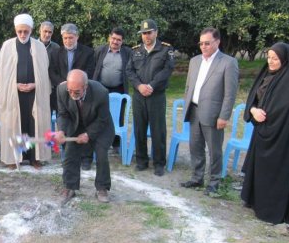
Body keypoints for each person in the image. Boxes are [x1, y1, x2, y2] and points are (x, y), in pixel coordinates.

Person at [241, 43, 289, 225]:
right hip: (262, 134)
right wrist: (254, 111)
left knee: (273, 175)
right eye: (269, 57)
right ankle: (255, 201)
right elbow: (253, 99)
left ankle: (269, 210)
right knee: (259, 171)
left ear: (285, 60)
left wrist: (269, 118)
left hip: (281, 140)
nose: (270, 61)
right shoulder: (267, 75)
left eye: (275, 58)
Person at [181, 27, 239, 195]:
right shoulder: (195, 61)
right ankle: (197, 177)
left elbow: (230, 93)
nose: (203, 46)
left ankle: (214, 181)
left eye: (207, 43)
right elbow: (188, 86)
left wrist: (224, 116)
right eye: (201, 43)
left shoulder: (228, 62)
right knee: (195, 147)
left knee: (214, 150)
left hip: (214, 115)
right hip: (194, 111)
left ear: (217, 42)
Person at [0, 13, 52, 169]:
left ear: (31, 30)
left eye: (26, 31)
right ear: (15, 29)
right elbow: (3, 74)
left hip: (34, 94)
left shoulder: (39, 47)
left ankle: (35, 158)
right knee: (16, 123)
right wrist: (14, 85)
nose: (22, 34)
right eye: (19, 31)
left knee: (34, 124)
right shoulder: (7, 46)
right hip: (14, 95)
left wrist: (36, 84)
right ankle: (14, 157)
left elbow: (44, 73)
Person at [53, 69, 115, 204]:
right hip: (76, 124)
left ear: (85, 87)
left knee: (101, 153)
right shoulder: (61, 90)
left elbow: (103, 119)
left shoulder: (101, 92)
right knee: (69, 151)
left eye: (76, 92)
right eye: (70, 90)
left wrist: (88, 134)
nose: (72, 94)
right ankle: (70, 187)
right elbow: (63, 114)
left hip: (100, 126)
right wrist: (62, 131)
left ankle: (102, 187)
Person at [126, 19, 174, 176]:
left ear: (156, 33)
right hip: (139, 96)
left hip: (156, 96)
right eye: (143, 33)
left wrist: (152, 85)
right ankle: (141, 161)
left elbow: (167, 70)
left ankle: (159, 163)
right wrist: (139, 86)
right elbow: (129, 71)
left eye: (149, 32)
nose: (146, 36)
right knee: (139, 129)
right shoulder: (135, 51)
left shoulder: (166, 50)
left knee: (158, 130)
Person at [49, 23, 95, 169]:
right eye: (65, 38)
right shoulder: (56, 52)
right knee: (65, 124)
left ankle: (86, 158)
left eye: (71, 37)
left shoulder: (88, 52)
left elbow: (90, 71)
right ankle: (68, 155)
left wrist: (77, 84)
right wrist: (63, 84)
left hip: (82, 94)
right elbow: (52, 72)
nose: (68, 41)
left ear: (77, 37)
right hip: (63, 94)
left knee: (84, 124)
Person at [93, 27, 132, 153]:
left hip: (119, 88)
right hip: (101, 88)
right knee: (99, 115)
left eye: (119, 40)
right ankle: (98, 141)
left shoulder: (127, 53)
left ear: (122, 41)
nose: (115, 42)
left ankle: (116, 144)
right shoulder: (100, 50)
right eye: (114, 38)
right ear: (109, 37)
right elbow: (93, 68)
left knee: (118, 117)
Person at [39, 21, 60, 114]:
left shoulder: (56, 48)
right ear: (40, 31)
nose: (47, 34)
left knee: (50, 113)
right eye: (45, 31)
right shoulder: (32, 45)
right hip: (36, 86)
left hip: (52, 88)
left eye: (50, 32)